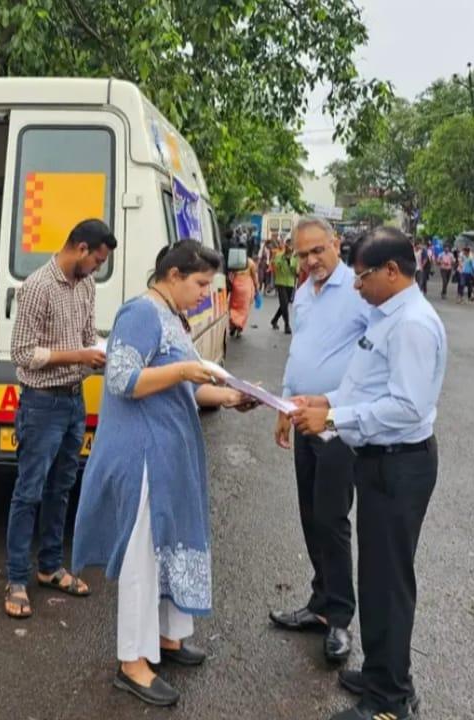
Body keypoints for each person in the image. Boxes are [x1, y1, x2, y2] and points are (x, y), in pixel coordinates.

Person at [72, 240, 256, 707]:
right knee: (142, 556)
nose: (203, 294)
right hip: (142, 458)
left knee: (171, 542)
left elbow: (186, 393)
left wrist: (232, 398)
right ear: (172, 275)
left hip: (169, 456)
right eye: (199, 284)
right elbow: (122, 381)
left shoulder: (171, 317)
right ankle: (132, 661)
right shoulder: (140, 314)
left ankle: (168, 637)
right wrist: (184, 371)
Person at [290, 227, 446, 720]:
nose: (356, 286)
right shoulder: (387, 316)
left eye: (363, 277)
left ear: (392, 272)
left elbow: (405, 407)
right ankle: (382, 672)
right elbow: (365, 386)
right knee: (377, 577)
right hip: (379, 460)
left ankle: (391, 701)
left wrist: (334, 419)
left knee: (388, 583)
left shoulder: (412, 325)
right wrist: (326, 401)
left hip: (401, 463)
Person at [3, 219, 116, 620]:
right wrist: (80, 356)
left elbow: (86, 336)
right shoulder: (37, 286)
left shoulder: (85, 286)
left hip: (73, 400)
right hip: (41, 404)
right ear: (81, 249)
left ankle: (50, 566)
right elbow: (23, 353)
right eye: (98, 261)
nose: (98, 270)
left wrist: (103, 352)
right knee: (29, 490)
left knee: (62, 487)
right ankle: (17, 578)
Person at [270, 217, 370, 665]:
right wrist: (284, 404)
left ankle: (340, 618)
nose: (311, 261)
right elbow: (300, 350)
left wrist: (337, 403)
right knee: (310, 513)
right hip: (302, 418)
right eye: (302, 254)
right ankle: (320, 601)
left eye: (318, 251)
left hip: (337, 424)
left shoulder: (358, 292)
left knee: (331, 518)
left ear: (336, 244)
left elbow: (375, 359)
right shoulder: (305, 296)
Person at [271, 238, 299, 334]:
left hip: (290, 283)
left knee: (285, 304)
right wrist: (284, 258)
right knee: (284, 303)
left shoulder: (295, 258)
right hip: (280, 282)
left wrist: (290, 261)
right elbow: (276, 265)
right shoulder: (279, 256)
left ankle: (274, 320)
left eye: (291, 246)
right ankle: (287, 324)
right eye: (288, 245)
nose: (289, 248)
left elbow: (296, 271)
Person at [228, 253, 259, 337]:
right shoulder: (250, 262)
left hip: (236, 285)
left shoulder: (236, 260)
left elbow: (230, 274)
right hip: (246, 286)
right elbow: (254, 277)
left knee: (233, 306)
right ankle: (239, 327)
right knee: (244, 309)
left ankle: (233, 325)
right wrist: (256, 288)